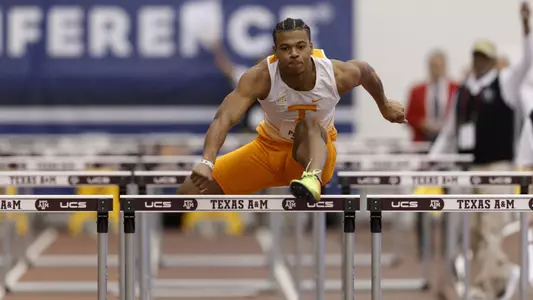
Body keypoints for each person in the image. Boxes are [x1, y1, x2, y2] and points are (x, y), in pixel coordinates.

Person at [178, 18, 406, 202]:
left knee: (309, 124)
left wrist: (384, 105)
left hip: (313, 155)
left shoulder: (336, 75)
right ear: (275, 52)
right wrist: (207, 161)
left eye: (300, 47)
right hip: (266, 152)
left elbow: (366, 72)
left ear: (311, 48)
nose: (294, 53)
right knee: (187, 194)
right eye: (285, 48)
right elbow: (224, 118)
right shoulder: (260, 77)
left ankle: (311, 179)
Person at [430, 3, 531, 299]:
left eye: (485, 56)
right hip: (470, 170)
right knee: (473, 231)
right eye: (476, 55)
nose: (479, 61)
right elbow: (449, 132)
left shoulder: (507, 85)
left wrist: (526, 27)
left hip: (498, 168)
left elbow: (528, 60)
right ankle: (501, 272)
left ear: (493, 59)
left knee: (491, 229)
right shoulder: (462, 90)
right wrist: (432, 161)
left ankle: (484, 289)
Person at [406, 50, 459, 143]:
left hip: (449, 140)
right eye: (434, 65)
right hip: (423, 139)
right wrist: (422, 124)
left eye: (440, 65)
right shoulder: (417, 90)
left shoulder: (456, 88)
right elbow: (409, 116)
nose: (437, 69)